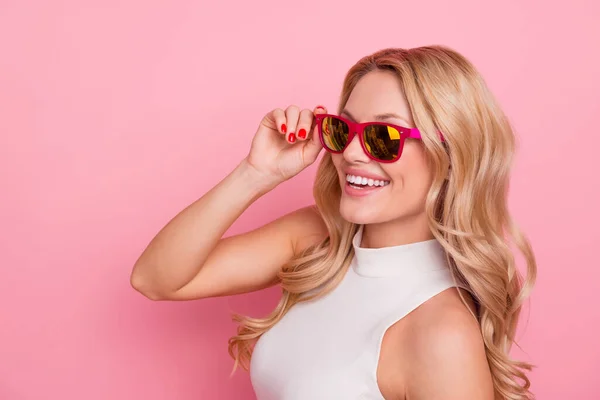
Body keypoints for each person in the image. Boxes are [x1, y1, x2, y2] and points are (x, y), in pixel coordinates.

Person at [130, 45, 537, 400]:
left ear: (450, 157)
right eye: (343, 130)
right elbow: (156, 279)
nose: (353, 154)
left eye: (383, 136)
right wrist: (256, 173)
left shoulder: (442, 334)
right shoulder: (319, 238)